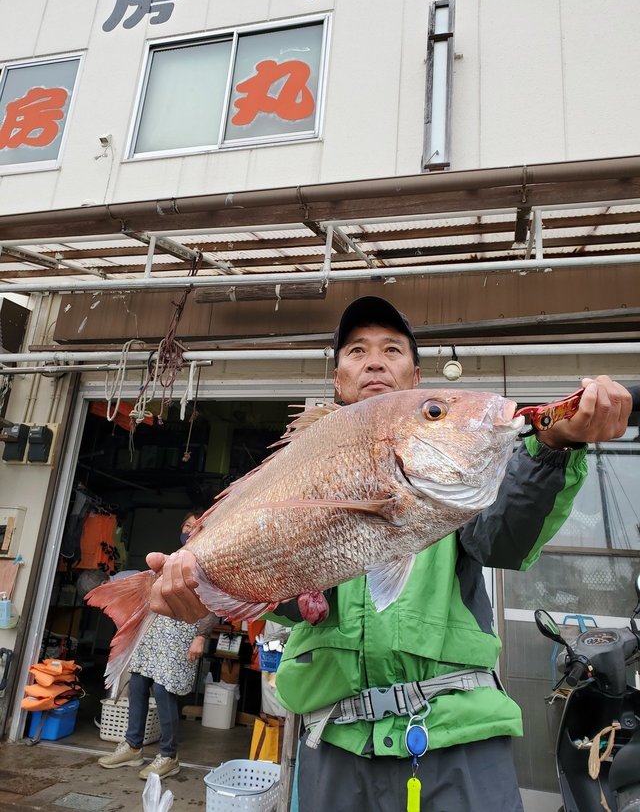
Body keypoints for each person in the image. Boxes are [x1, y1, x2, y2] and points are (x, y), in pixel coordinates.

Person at [144, 297, 633, 810]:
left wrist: (554, 449)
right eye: (356, 350)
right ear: (337, 378)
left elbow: (504, 540)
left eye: (392, 350)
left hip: (455, 736)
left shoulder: (455, 483)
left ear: (416, 375)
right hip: (332, 740)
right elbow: (290, 598)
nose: (374, 360)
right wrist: (208, 593)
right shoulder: (304, 457)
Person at [98, 511, 216, 780]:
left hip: (181, 634)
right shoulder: (173, 557)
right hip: (154, 632)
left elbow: (212, 602)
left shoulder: (208, 559)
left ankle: (169, 755)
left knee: (164, 691)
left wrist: (201, 636)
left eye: (195, 525)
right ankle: (132, 746)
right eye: (186, 524)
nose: (189, 529)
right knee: (138, 683)